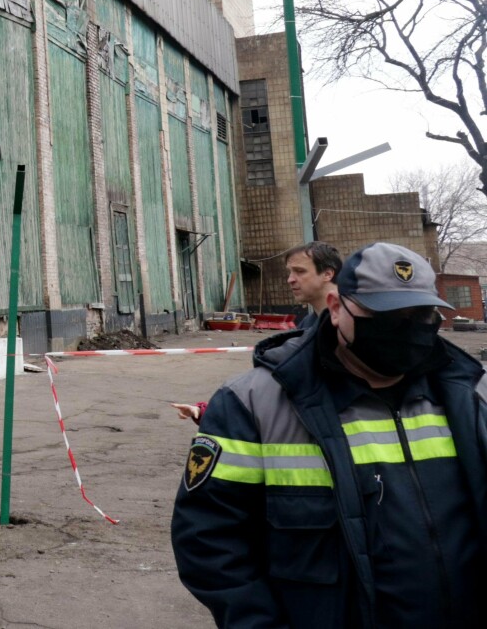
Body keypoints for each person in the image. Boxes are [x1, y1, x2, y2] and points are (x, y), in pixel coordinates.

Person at [171, 242, 487, 628]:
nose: (405, 329)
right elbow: (208, 539)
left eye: (420, 314)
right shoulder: (254, 403)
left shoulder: (469, 395)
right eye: (384, 313)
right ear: (337, 308)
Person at [284, 241, 341, 330]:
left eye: (300, 271)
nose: (290, 280)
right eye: (290, 272)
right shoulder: (307, 324)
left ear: (327, 274)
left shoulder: (355, 320)